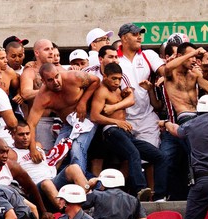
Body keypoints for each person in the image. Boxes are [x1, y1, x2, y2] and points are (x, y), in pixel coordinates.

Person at [90, 62, 166, 201]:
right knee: (133, 153)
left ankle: (159, 195)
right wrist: (116, 122)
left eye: (119, 79)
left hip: (125, 133)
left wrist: (126, 94)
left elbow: (131, 99)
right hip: (111, 131)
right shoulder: (101, 91)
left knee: (159, 156)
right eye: (114, 78)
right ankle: (140, 190)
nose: (117, 82)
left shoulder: (119, 90)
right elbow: (95, 116)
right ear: (105, 76)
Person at [26, 63, 100, 173]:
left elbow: (96, 81)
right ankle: (57, 183)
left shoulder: (74, 77)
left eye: (57, 76)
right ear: (43, 81)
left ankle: (80, 184)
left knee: (76, 149)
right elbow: (31, 123)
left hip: (85, 117)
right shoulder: (43, 97)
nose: (56, 82)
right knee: (56, 154)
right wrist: (32, 149)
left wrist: (83, 102)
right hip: (68, 123)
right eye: (50, 80)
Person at [9, 121, 91, 211]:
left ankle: (89, 200)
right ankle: (68, 210)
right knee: (46, 183)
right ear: (13, 136)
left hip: (52, 181)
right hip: (36, 190)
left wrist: (61, 157)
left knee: (73, 168)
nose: (25, 137)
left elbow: (48, 167)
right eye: (21, 134)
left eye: (27, 134)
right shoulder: (12, 153)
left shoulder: (37, 146)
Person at [117, 23, 166, 148]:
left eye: (140, 34)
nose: (139, 37)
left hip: (147, 118)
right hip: (123, 118)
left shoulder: (148, 55)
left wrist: (164, 77)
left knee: (151, 156)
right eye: (134, 34)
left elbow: (165, 72)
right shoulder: (114, 58)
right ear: (124, 38)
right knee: (128, 159)